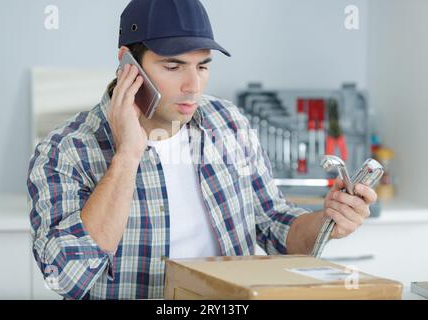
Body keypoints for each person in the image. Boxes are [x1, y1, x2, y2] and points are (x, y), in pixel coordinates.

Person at [27, 0, 377, 300]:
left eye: (203, 66)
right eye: (173, 65)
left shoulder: (229, 123)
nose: (192, 86)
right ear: (126, 64)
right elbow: (67, 277)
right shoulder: (65, 151)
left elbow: (274, 226)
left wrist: (328, 222)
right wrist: (128, 155)